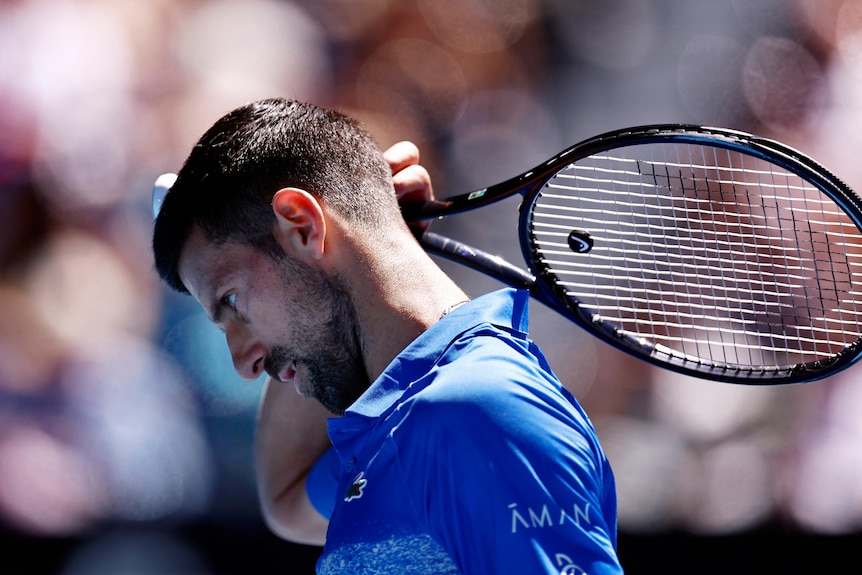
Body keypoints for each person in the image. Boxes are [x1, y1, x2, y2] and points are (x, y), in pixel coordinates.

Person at [152, 98, 622, 574]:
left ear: (302, 224)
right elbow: (286, 499)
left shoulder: (474, 410)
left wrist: (366, 242)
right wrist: (376, 237)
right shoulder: (412, 421)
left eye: (230, 302)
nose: (242, 363)